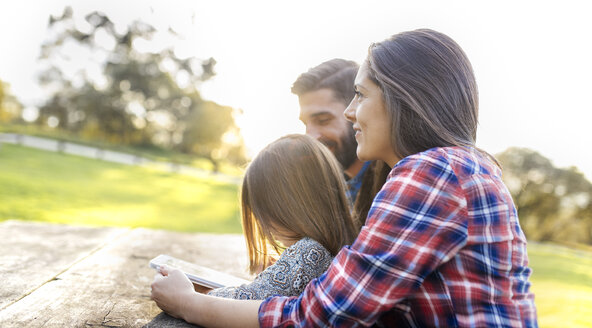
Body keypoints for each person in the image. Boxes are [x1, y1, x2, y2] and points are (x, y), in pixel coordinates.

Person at [151, 29, 538, 327]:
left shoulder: (433, 174)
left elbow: (322, 316)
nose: (351, 112)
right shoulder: (456, 167)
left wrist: (188, 303)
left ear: (404, 99)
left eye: (360, 95)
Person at [157, 134, 358, 301]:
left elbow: (249, 299)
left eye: (264, 213)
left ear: (289, 206)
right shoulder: (337, 247)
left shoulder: (310, 251)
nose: (263, 226)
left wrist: (189, 294)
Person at [292, 58, 389, 225]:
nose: (310, 136)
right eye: (305, 124)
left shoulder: (390, 187)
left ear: (356, 110)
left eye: (323, 120)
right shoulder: (325, 188)